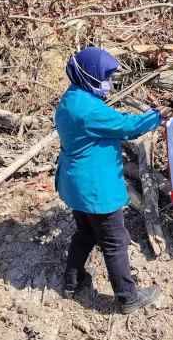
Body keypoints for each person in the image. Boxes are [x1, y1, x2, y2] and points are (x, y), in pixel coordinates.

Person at [54, 46, 166, 314]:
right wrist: (157, 116)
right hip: (96, 188)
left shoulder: (71, 99)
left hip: (75, 184)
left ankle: (72, 281)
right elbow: (128, 126)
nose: (110, 82)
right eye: (106, 76)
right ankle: (128, 297)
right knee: (115, 242)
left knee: (85, 233)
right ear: (89, 75)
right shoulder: (89, 111)